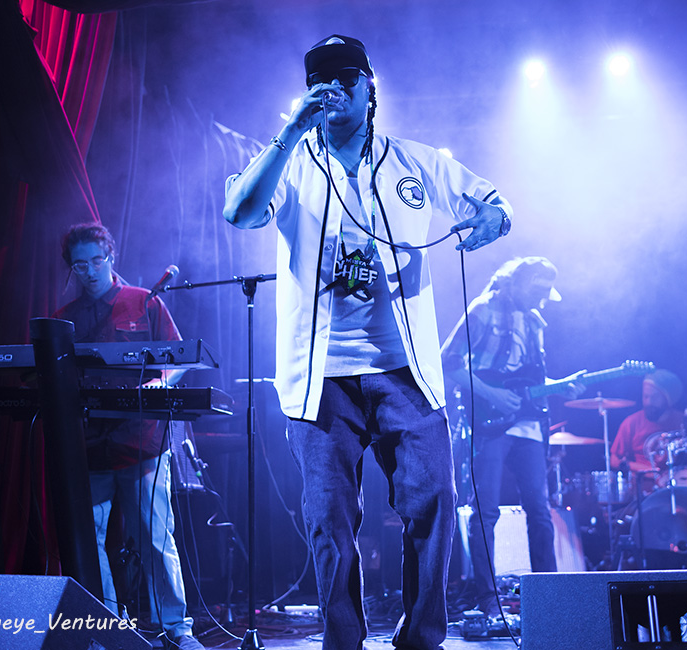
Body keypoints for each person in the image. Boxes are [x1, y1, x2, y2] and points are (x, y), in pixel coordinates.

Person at [222, 35, 512, 650]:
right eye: (321, 80)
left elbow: (493, 203)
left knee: (433, 502)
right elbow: (241, 211)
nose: (335, 88)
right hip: (319, 377)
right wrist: (291, 130)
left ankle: (421, 639)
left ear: (369, 85)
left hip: (406, 371)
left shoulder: (415, 160)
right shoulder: (291, 162)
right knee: (329, 518)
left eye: (347, 77)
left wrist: (491, 219)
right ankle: (343, 641)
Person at [52, 223, 204, 650]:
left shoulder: (144, 302)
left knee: (155, 538)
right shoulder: (67, 318)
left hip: (142, 442)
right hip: (90, 445)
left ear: (111, 257)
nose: (89, 272)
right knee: (89, 540)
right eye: (79, 265)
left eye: (96, 262)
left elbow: (179, 356)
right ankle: (107, 627)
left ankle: (177, 630)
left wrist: (162, 383)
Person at [440, 256, 584, 615]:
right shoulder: (483, 310)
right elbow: (448, 361)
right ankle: (488, 600)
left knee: (539, 509)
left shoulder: (535, 321)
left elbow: (532, 381)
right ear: (516, 283)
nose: (540, 300)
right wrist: (492, 395)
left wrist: (561, 387)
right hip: (488, 425)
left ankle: (550, 598)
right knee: (485, 511)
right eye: (535, 291)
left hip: (529, 426)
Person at [609, 369, 686, 474]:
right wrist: (638, 468)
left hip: (677, 485)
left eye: (655, 397)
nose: (648, 402)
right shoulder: (631, 423)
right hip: (641, 487)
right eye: (645, 396)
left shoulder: (683, 422)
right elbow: (614, 460)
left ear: (668, 399)